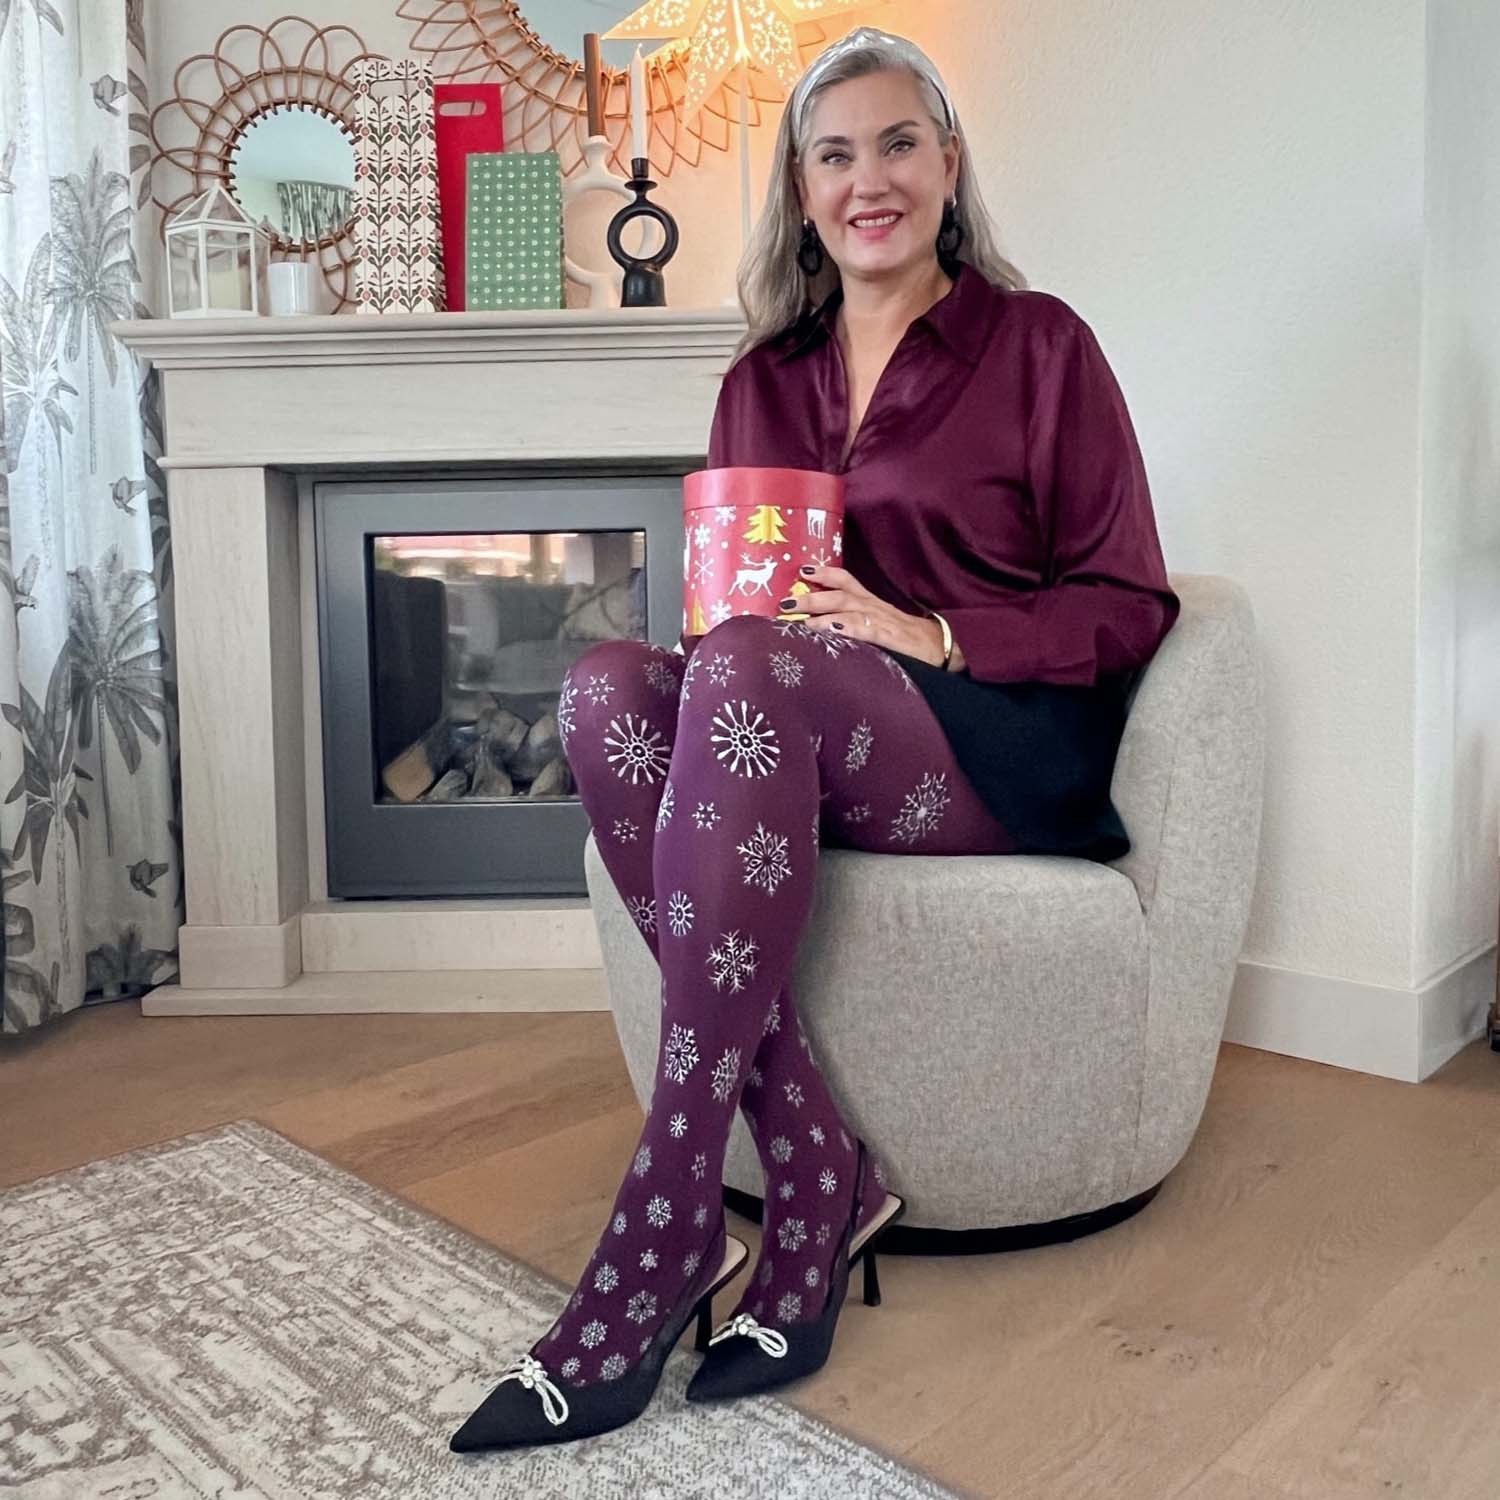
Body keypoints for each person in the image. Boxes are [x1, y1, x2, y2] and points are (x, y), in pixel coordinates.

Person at [451, 26, 1179, 1455]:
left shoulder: (1040, 347)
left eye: (899, 144)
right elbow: (744, 610)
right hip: (788, 724)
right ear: (800, 190)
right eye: (834, 156)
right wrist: (714, 644)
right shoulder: (763, 379)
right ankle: (817, 1173)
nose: (869, 181)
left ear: (949, 164)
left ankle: (664, 1223)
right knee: (602, 689)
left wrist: (934, 633)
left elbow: (1128, 600)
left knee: (746, 674)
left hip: (990, 741)